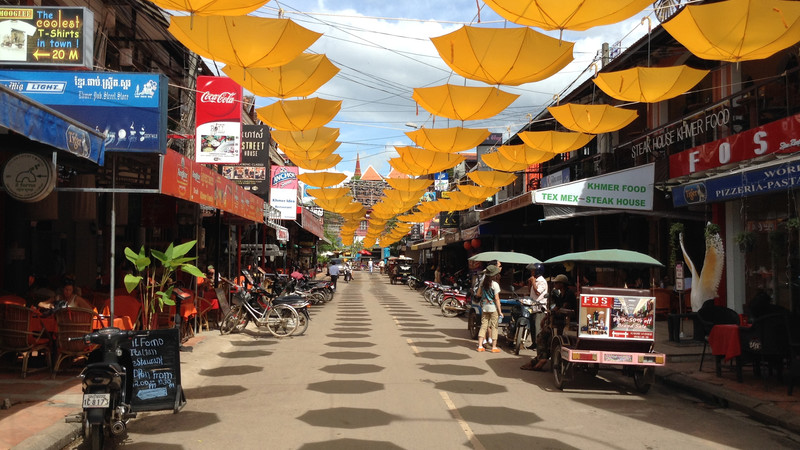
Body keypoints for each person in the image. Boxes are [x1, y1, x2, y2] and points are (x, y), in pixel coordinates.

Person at [521, 274, 576, 371]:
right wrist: (547, 316)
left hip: (565, 322)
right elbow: (557, 307)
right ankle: (540, 359)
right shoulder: (560, 294)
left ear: (562, 284)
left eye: (557, 282)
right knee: (543, 337)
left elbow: (564, 308)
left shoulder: (569, 294)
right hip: (558, 321)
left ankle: (541, 359)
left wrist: (554, 313)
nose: (554, 284)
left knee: (544, 337)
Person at [476, 265, 503, 353]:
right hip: (493, 308)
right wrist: (500, 311)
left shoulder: (482, 283)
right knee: (494, 327)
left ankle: (480, 346)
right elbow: (497, 299)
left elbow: (478, 294)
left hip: (484, 307)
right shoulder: (495, 285)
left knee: (483, 326)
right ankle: (494, 347)